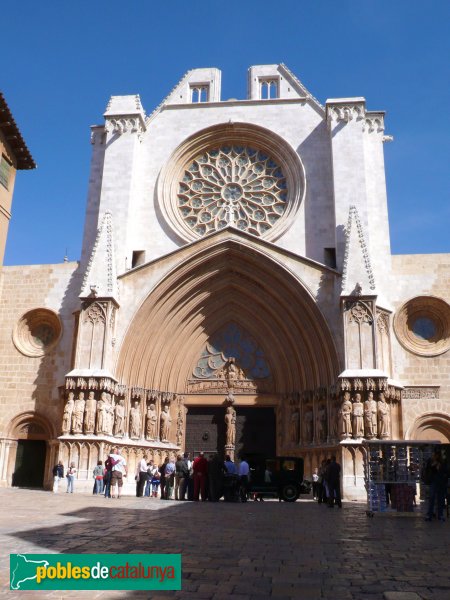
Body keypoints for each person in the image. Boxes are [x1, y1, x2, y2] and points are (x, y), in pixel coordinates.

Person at [424, 449, 448, 522]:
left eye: (435, 455)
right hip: (433, 482)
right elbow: (428, 469)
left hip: (441, 482)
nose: (434, 456)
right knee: (432, 498)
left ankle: (440, 515)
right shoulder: (430, 461)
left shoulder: (443, 461)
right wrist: (433, 465)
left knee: (440, 499)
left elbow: (446, 471)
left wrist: (440, 466)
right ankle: (430, 514)